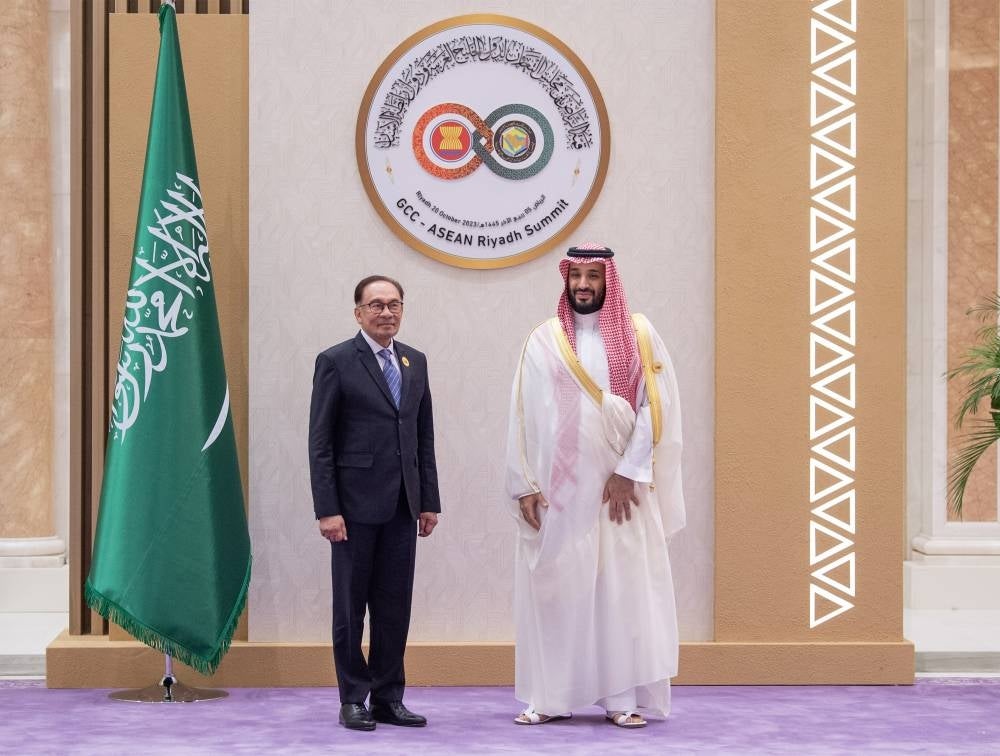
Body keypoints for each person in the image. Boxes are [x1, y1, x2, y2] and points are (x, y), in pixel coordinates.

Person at [505, 243, 685, 729]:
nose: (583, 284)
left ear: (609, 280)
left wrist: (629, 471)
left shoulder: (640, 334)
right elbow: (521, 416)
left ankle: (621, 697)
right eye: (576, 276)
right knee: (557, 590)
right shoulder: (542, 340)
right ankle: (550, 696)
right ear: (566, 280)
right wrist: (523, 484)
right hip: (561, 493)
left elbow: (655, 407)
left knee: (621, 591)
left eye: (593, 276)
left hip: (619, 494)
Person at [309, 274, 441, 731]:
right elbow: (320, 442)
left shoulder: (415, 361)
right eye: (377, 304)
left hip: (403, 507)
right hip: (351, 509)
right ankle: (352, 698)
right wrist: (327, 509)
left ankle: (388, 697)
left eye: (395, 304)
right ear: (358, 312)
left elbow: (423, 437)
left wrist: (428, 501)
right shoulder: (336, 361)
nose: (387, 312)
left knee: (393, 607)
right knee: (350, 608)